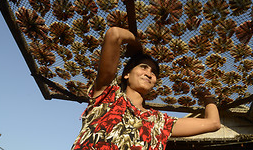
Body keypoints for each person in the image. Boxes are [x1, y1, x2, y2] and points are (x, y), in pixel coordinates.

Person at [72, 27, 221, 150]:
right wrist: (136, 45)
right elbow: (114, 34)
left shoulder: (159, 122)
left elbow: (213, 123)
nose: (149, 74)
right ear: (126, 74)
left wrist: (207, 97)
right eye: (143, 67)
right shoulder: (107, 96)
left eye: (154, 73)